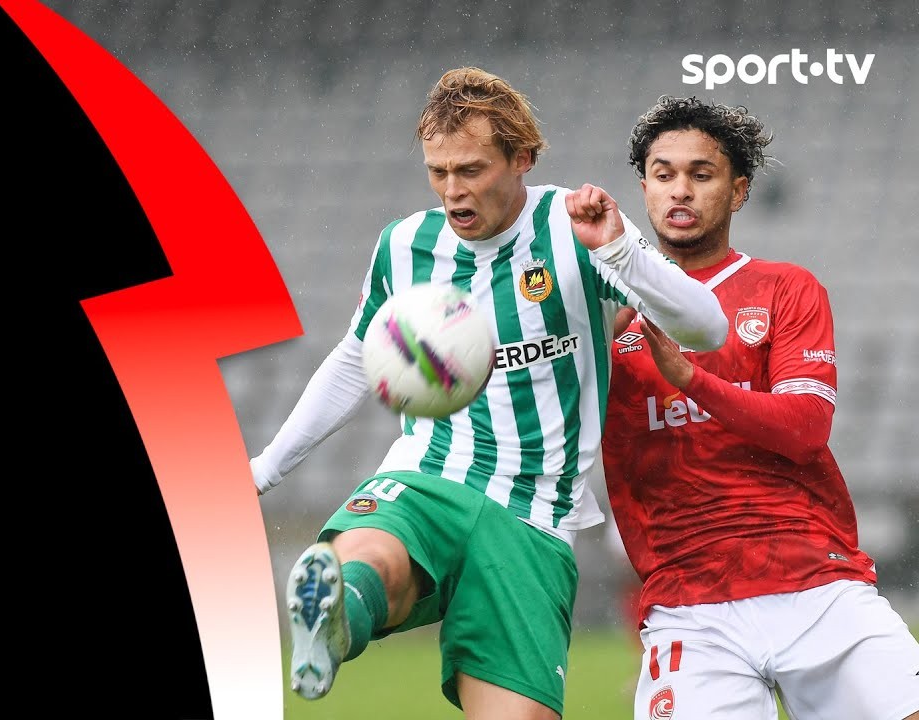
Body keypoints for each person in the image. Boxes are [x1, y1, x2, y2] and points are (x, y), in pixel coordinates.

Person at [250, 67, 728, 720]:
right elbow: (355, 360)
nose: (453, 190)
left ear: (522, 158)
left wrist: (620, 251)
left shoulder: (575, 226)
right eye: (438, 172)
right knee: (368, 556)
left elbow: (706, 327)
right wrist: (264, 470)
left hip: (534, 513)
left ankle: (346, 609)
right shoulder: (405, 245)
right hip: (430, 475)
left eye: (471, 170)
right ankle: (339, 614)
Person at [602, 95, 919, 720]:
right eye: (664, 174)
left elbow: (805, 428)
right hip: (687, 603)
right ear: (644, 190)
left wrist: (691, 379)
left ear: (739, 191)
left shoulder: (784, 288)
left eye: (702, 173)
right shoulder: (604, 316)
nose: (680, 190)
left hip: (815, 581)